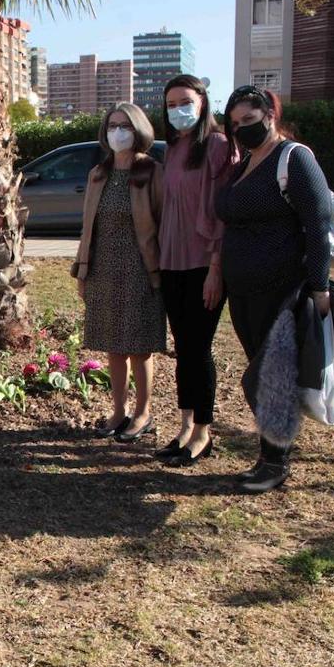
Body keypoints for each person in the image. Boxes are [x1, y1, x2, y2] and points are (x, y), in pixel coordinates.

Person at [215, 85, 332, 493]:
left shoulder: (293, 159)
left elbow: (318, 226)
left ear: (270, 115)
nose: (242, 129)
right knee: (261, 371)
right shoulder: (245, 162)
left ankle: (276, 461)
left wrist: (319, 287)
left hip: (281, 288)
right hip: (243, 289)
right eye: (234, 124)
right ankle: (268, 454)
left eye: (249, 120)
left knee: (274, 375)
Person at [156, 75, 238, 467]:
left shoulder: (220, 147)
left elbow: (224, 213)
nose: (178, 110)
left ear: (203, 103)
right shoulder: (173, 149)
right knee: (183, 349)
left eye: (185, 101)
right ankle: (185, 425)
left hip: (205, 263)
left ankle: (204, 431)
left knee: (198, 348)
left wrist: (216, 269)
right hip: (171, 260)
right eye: (171, 104)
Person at [73, 103, 166, 443]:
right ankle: (118, 411)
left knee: (140, 347)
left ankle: (143, 413)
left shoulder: (153, 172)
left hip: (141, 271)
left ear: (138, 129)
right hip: (104, 271)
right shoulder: (98, 174)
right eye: (112, 126)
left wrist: (160, 271)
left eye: (125, 125)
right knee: (113, 346)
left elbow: (164, 223)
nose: (118, 132)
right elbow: (87, 228)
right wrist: (82, 272)